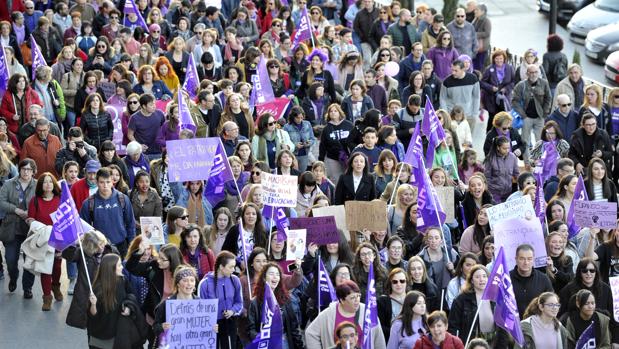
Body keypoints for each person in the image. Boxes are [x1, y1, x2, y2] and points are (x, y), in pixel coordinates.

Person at [305, 279, 387, 348]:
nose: (357, 300)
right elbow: (310, 333)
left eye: (358, 296)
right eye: (352, 298)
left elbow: (379, 340)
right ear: (342, 300)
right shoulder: (329, 313)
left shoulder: (368, 312)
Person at [87, 254, 144, 349]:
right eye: (119, 265)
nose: (122, 267)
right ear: (111, 268)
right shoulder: (97, 289)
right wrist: (93, 304)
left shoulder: (123, 280)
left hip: (121, 331)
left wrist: (128, 306)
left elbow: (131, 295)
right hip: (103, 337)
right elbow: (94, 317)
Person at [0, 158, 36, 298]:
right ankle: (13, 276)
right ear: (19, 169)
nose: (26, 172)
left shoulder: (38, 185)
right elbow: (1, 201)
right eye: (23, 169)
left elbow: (43, 200)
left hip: (30, 228)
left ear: (33, 171)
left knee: (30, 261)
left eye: (29, 169)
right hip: (12, 227)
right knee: (10, 259)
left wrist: (31, 214)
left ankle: (28, 288)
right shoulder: (9, 184)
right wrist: (16, 210)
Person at [79, 167, 136, 257]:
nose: (105, 185)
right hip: (99, 247)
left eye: (108, 182)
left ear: (112, 182)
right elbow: (83, 229)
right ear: (97, 183)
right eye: (102, 182)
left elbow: (130, 224)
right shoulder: (89, 203)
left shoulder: (123, 198)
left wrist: (132, 245)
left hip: (121, 245)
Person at [247, 262, 305, 349]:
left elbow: (294, 326)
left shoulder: (285, 299)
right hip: (265, 344)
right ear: (264, 278)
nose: (275, 277)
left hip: (284, 342)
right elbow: (251, 329)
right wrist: (262, 339)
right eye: (271, 274)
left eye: (277, 274)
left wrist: (300, 345)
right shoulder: (255, 302)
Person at [152, 266, 213, 348]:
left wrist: (212, 329)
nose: (189, 284)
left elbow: (205, 328)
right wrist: (162, 327)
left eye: (192, 280)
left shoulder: (201, 303)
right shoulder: (167, 304)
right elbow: (155, 328)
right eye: (185, 280)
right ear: (178, 284)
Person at [25, 172, 61, 310]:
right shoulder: (35, 200)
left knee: (57, 267)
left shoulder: (60, 199)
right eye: (45, 182)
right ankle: (47, 298)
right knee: (45, 269)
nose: (48, 184)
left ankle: (56, 286)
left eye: (50, 182)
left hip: (58, 239)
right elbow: (30, 220)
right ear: (41, 185)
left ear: (54, 184)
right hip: (42, 240)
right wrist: (37, 226)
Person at [448, 265, 507, 347]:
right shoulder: (461, 300)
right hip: (471, 342)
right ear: (471, 280)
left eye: (484, 276)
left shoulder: (497, 299)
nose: (481, 279)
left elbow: (503, 328)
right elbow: (453, 327)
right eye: (477, 277)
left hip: (493, 342)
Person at [198, 251, 243, 349]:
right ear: (221, 267)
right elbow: (200, 309)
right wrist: (209, 324)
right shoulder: (204, 284)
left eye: (234, 266)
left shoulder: (235, 280)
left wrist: (232, 311)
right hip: (212, 326)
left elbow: (239, 303)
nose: (233, 269)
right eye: (230, 267)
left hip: (230, 323)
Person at [511, 63, 552, 168]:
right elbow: (514, 101)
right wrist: (522, 115)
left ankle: (537, 162)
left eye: (535, 72)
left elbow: (548, 98)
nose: (533, 74)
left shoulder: (544, 83)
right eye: (531, 72)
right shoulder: (521, 85)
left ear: (538, 73)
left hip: (539, 117)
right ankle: (527, 164)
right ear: (527, 73)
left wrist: (544, 112)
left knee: (539, 140)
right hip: (526, 117)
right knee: (525, 141)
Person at [511, 244, 554, 317]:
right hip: (513, 324)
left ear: (533, 259)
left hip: (537, 324)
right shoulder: (507, 279)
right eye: (522, 259)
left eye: (529, 259)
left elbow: (550, 303)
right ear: (516, 259)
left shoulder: (543, 279)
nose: (526, 262)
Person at [440, 60, 481, 129]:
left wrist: (475, 114)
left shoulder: (473, 79)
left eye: (456, 70)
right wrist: (446, 114)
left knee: (468, 139)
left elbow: (476, 97)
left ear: (463, 69)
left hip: (469, 116)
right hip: (452, 117)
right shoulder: (446, 82)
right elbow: (442, 98)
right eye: (452, 70)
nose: (453, 73)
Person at [480, 50, 515, 124]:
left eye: (501, 58)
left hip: (504, 98)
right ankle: (490, 134)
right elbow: (482, 83)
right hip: (492, 99)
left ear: (504, 59)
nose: (499, 60)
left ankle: (503, 134)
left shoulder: (510, 68)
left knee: (504, 119)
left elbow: (514, 81)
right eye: (497, 58)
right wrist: (491, 88)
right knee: (492, 120)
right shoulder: (489, 69)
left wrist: (506, 89)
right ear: (493, 59)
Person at [127, 93, 166, 160]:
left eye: (154, 103)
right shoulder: (134, 118)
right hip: (143, 153)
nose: (154, 106)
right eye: (151, 104)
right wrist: (138, 146)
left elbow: (165, 130)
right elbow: (130, 135)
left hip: (159, 151)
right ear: (144, 106)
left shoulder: (160, 114)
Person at [484, 136, 519, 203]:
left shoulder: (513, 157)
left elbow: (516, 173)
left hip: (508, 192)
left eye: (508, 148)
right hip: (494, 193)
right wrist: (490, 189)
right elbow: (486, 177)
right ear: (498, 147)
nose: (507, 150)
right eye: (504, 148)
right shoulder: (491, 158)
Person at [377, 268, 409, 343]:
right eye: (395, 282)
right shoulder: (382, 301)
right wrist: (396, 333)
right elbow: (380, 326)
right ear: (390, 283)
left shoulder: (414, 299)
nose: (399, 284)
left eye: (402, 281)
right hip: (390, 341)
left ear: (406, 282)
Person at [283, 106, 316, 172]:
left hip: (304, 154)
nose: (300, 120)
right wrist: (295, 145)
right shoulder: (287, 127)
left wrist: (309, 143)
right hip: (292, 155)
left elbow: (313, 139)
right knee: (293, 174)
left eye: (301, 117)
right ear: (293, 117)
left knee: (302, 175)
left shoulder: (307, 124)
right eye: (297, 118)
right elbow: (284, 142)